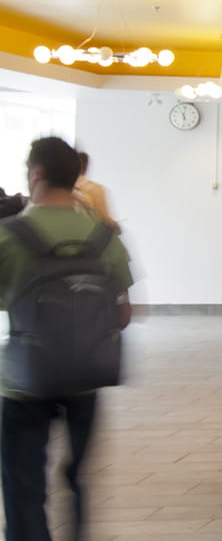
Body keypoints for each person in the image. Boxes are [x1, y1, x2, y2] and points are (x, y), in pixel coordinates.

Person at [0, 137, 133, 541]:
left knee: (24, 485)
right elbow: (125, 313)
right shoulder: (105, 235)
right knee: (77, 480)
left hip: (24, 385)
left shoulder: (11, 235)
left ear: (36, 173)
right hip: (86, 379)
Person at [72, 151, 118, 233]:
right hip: (88, 234)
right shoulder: (96, 189)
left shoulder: (60, 188)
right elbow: (105, 220)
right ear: (86, 166)